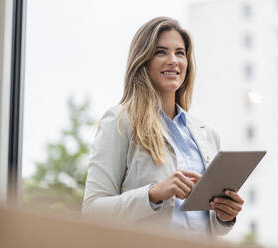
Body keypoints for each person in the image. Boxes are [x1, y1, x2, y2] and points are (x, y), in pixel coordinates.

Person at [82, 16, 244, 237]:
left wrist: (225, 216)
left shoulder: (207, 135)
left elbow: (206, 225)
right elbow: (92, 212)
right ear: (143, 61)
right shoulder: (119, 121)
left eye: (180, 53)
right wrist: (153, 194)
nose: (173, 60)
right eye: (161, 52)